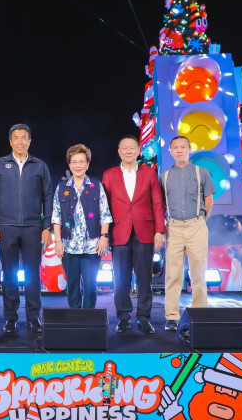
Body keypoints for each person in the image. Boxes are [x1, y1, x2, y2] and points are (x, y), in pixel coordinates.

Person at [0, 124, 53, 334]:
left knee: (33, 274)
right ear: (10, 141)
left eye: (24, 138)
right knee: (9, 274)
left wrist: (46, 226)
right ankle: (10, 318)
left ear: (30, 141)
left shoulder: (40, 166)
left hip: (33, 226)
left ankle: (33, 317)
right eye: (16, 138)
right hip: (6, 226)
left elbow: (48, 196)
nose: (20, 141)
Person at [102, 135, 165, 334]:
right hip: (119, 231)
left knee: (145, 277)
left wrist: (159, 230)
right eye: (125, 148)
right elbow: (104, 207)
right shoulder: (109, 174)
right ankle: (123, 317)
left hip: (144, 231)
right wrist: (104, 234)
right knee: (121, 279)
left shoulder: (149, 173)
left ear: (138, 151)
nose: (128, 151)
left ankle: (144, 318)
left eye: (132, 148)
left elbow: (157, 203)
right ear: (119, 152)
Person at [161, 135, 216, 332]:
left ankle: (199, 314)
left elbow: (208, 200)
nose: (179, 150)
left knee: (198, 274)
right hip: (173, 228)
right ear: (170, 151)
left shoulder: (202, 172)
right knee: (173, 274)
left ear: (189, 150)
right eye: (175, 147)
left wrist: (200, 221)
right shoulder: (164, 176)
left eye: (183, 147)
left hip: (196, 226)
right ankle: (172, 317)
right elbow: (161, 204)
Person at [52, 144, 113, 309]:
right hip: (69, 245)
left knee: (91, 285)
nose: (77, 165)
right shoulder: (62, 187)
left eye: (81, 161)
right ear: (69, 164)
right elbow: (56, 216)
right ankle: (75, 316)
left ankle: (89, 316)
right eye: (74, 162)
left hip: (92, 246)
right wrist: (58, 241)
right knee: (72, 285)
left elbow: (105, 213)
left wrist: (104, 237)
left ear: (87, 164)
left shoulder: (96, 186)